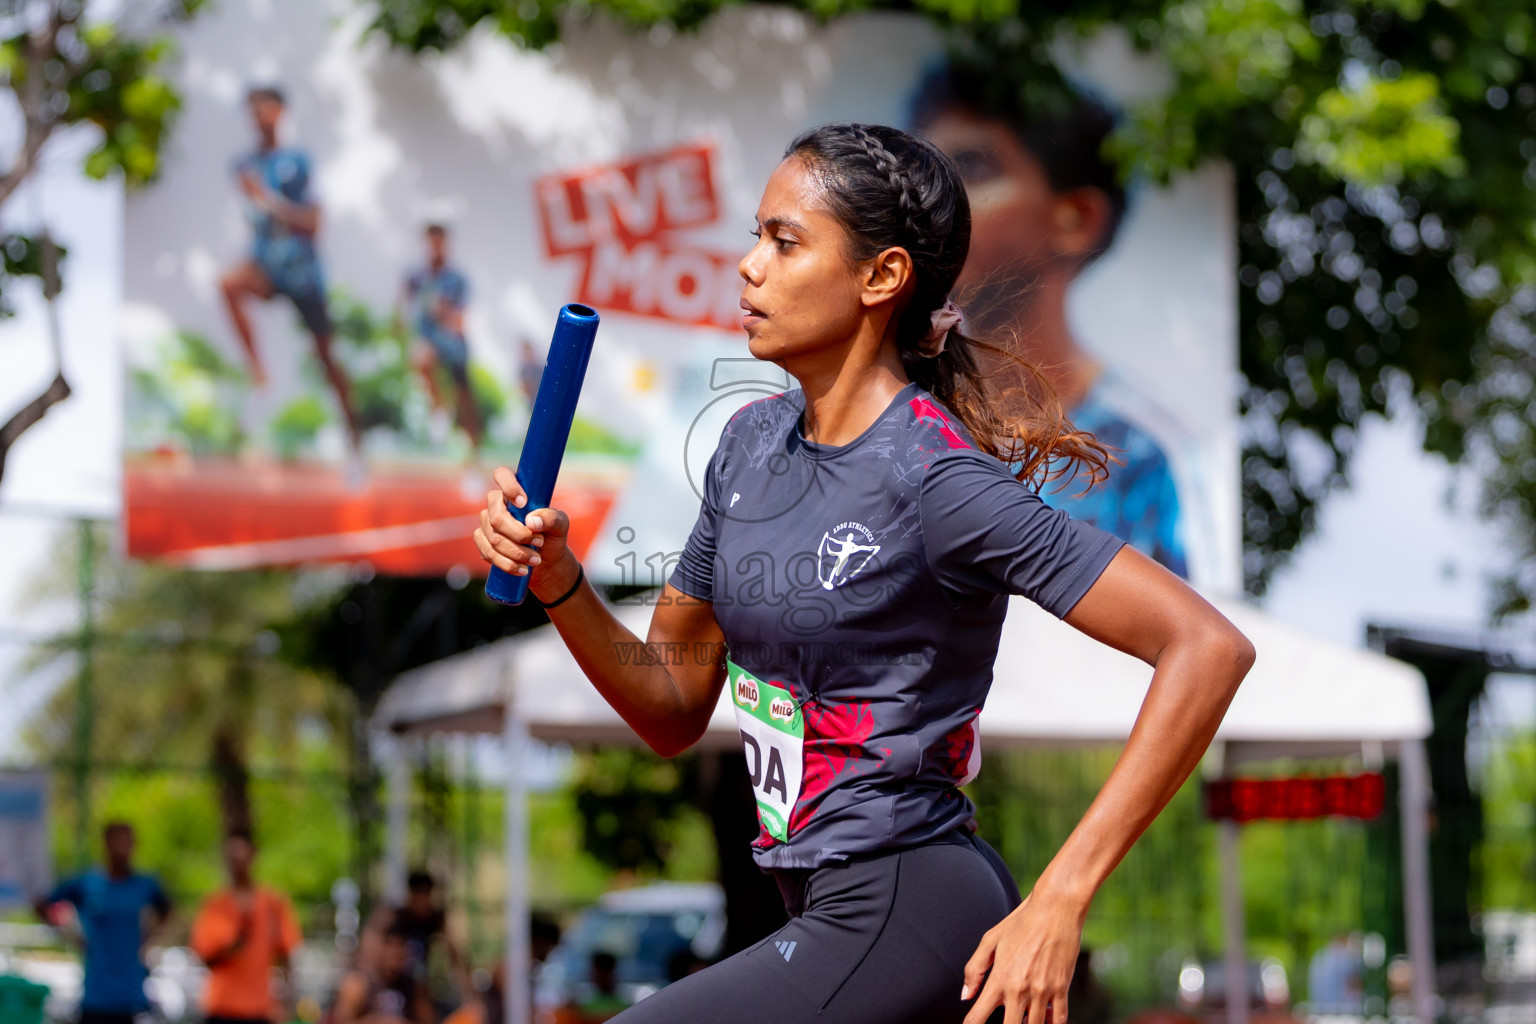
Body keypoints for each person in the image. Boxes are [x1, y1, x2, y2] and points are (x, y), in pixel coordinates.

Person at [474, 123, 1254, 1024]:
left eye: (785, 241)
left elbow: (1206, 645)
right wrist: (560, 581)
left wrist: (1062, 897)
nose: (749, 267)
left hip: (908, 901)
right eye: (755, 235)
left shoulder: (937, 478)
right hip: (812, 905)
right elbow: (671, 706)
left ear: (882, 277)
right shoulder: (746, 447)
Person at [913, 67, 1190, 577]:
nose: (934, 202)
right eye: (926, 174)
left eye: (971, 169)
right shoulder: (898, 417)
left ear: (1077, 219)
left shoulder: (1145, 456)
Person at [220, 85, 363, 457]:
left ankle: (354, 434)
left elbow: (313, 223)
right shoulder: (245, 165)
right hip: (267, 265)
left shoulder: (300, 161)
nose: (259, 116)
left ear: (281, 112)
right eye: (253, 110)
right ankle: (259, 376)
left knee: (326, 357)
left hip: (303, 272)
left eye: (265, 108)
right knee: (228, 284)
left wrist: (268, 201)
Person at [34, 822, 172, 1024]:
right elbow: (42, 904)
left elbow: (167, 909)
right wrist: (71, 937)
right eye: (117, 842)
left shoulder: (144, 885)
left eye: (127, 843)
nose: (122, 849)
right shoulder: (87, 883)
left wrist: (146, 938)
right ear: (106, 844)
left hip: (130, 994)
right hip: (95, 995)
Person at [190, 829, 303, 1024]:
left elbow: (286, 956)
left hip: (260, 1010)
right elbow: (204, 958)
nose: (238, 862)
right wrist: (232, 947)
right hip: (222, 1008)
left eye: (242, 853)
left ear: (253, 855)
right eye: (232, 856)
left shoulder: (273, 904)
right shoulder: (214, 905)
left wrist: (287, 1003)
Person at [402, 225, 482, 450]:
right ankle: (441, 409)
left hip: (453, 344)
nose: (435, 248)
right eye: (431, 243)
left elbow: (460, 320)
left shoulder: (457, 279)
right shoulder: (417, 276)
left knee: (467, 402)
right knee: (420, 358)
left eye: (439, 242)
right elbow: (406, 304)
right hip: (429, 340)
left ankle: (473, 453)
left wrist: (444, 312)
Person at [331, 922, 435, 1024]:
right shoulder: (358, 983)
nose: (395, 953)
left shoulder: (414, 987)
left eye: (400, 946)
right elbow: (341, 1021)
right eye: (390, 946)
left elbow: (429, 1020)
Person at [390, 870, 468, 994]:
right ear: (411, 894)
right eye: (420, 894)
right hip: (397, 979)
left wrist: (467, 988)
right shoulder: (396, 917)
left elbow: (454, 953)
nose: (424, 901)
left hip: (424, 983)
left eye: (427, 894)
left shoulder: (434, 919)